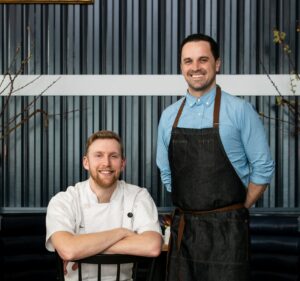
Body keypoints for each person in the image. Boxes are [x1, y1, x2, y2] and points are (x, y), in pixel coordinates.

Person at [156, 33, 275, 281]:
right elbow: (167, 172)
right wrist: (193, 205)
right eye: (188, 61)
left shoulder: (240, 110)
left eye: (203, 60)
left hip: (228, 233)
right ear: (181, 66)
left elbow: (263, 168)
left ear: (217, 64)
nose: (195, 67)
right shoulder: (169, 116)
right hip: (185, 234)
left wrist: (236, 209)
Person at [46, 130, 162, 281]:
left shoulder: (138, 196)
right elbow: (68, 249)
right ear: (86, 162)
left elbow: (152, 246)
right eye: (98, 155)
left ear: (122, 163)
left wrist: (83, 247)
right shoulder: (64, 200)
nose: (106, 163)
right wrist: (122, 232)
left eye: (113, 156)